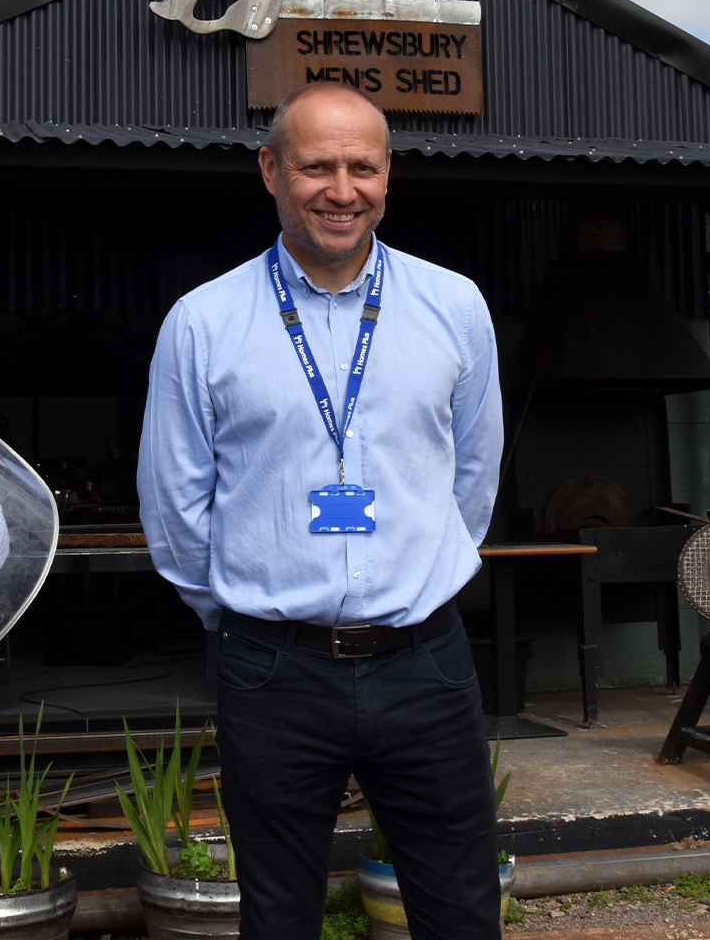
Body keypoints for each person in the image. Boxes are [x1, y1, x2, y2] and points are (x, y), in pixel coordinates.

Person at [137, 81, 505, 939]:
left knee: (461, 910)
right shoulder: (204, 322)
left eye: (362, 167)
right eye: (316, 166)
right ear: (271, 170)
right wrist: (239, 614)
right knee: (277, 913)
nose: (342, 189)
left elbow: (473, 476)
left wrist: (421, 569)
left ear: (388, 176)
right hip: (274, 668)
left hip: (426, 660)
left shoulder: (455, 307)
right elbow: (176, 502)